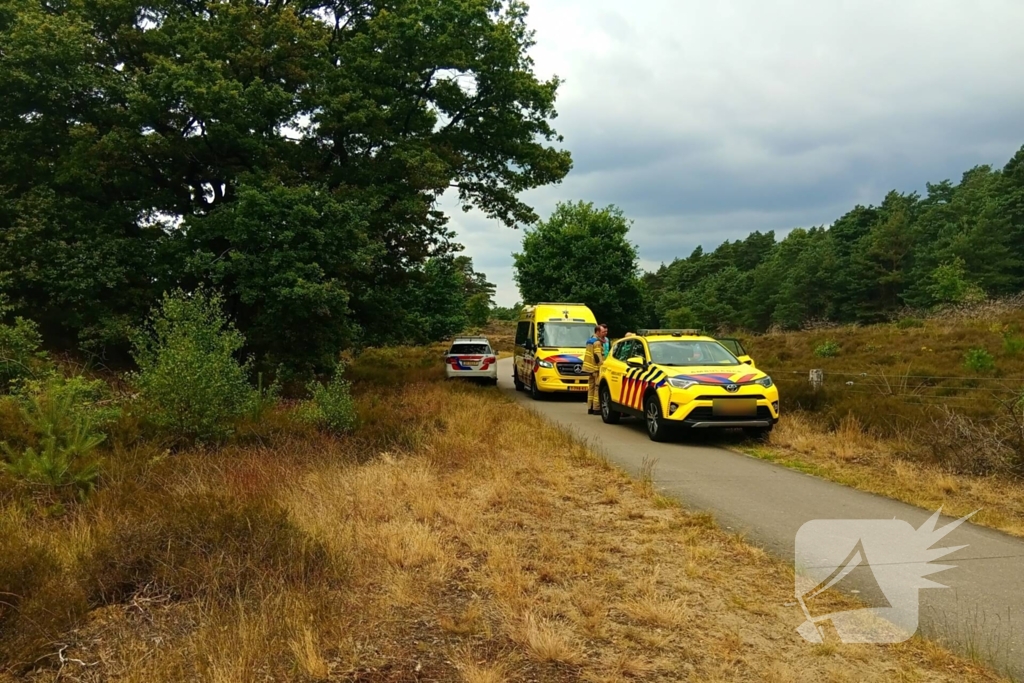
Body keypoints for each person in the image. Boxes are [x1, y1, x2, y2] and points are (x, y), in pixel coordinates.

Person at [583, 323, 608, 415]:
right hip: (595, 369)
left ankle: (590, 407)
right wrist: (602, 366)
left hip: (589, 368)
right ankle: (596, 408)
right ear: (597, 332)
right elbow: (598, 357)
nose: (603, 334)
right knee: (597, 388)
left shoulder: (589, 341)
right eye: (602, 332)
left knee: (591, 388)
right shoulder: (597, 343)